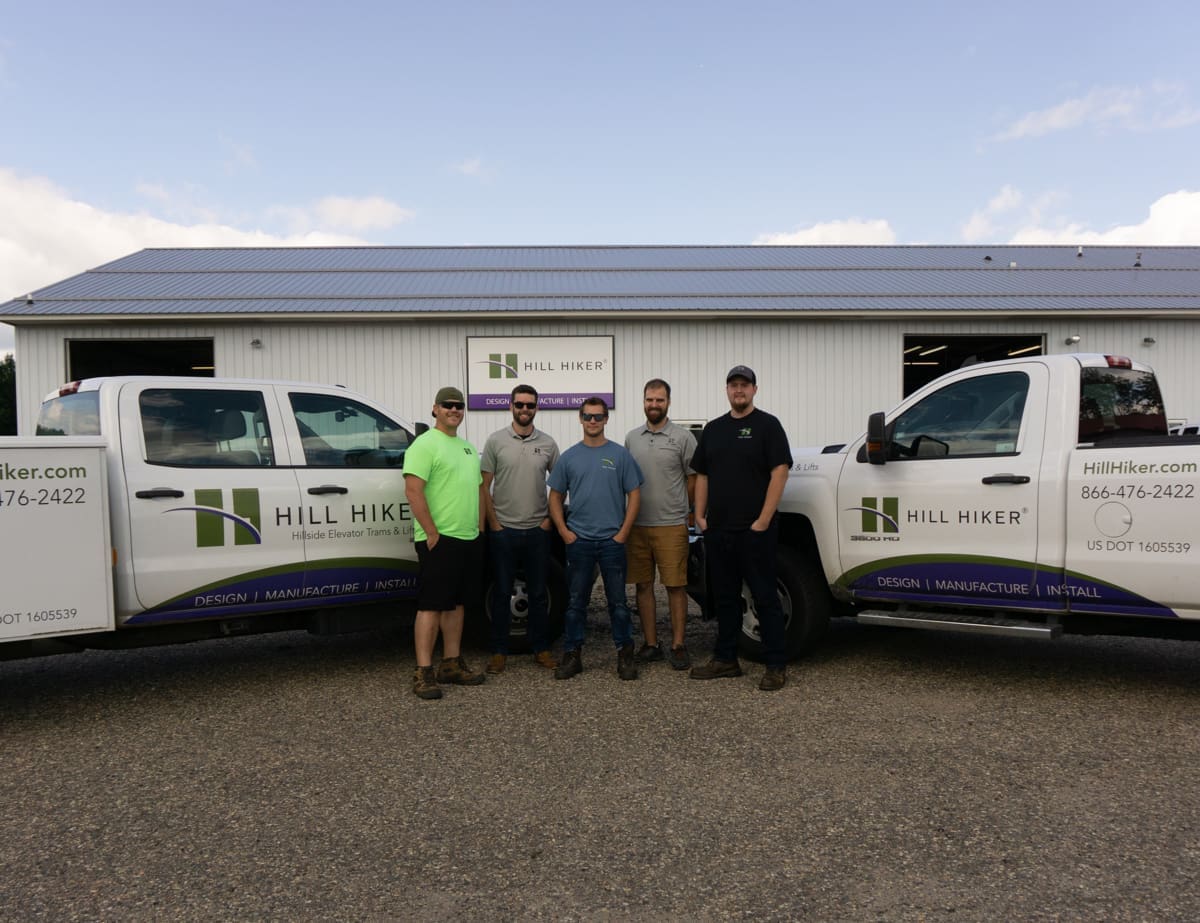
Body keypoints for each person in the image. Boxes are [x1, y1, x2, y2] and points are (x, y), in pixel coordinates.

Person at [689, 366, 794, 691]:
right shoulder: (714, 430)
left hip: (755, 531)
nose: (739, 390)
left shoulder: (768, 426)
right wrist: (700, 516)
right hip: (719, 530)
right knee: (725, 599)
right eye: (734, 385)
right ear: (727, 390)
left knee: (765, 596)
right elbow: (702, 475)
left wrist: (763, 520)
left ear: (754, 390)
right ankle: (726, 659)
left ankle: (776, 664)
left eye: (744, 385)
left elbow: (780, 472)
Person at [548, 397, 643, 681]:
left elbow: (635, 494)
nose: (593, 421)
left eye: (598, 417)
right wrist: (564, 532)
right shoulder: (569, 457)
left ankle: (625, 654)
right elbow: (555, 496)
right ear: (580, 418)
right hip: (580, 543)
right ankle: (573, 654)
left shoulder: (619, 455)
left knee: (618, 603)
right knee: (576, 602)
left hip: (612, 542)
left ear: (606, 419)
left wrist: (623, 532)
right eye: (588, 416)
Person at [402, 385, 487, 700]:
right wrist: (431, 532)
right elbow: (413, 490)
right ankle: (423, 671)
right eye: (448, 405)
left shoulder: (466, 448)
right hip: (439, 539)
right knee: (432, 605)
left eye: (459, 406)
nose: (455, 410)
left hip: (466, 538)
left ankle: (451, 663)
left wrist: (479, 527)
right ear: (435, 409)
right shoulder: (424, 445)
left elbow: (478, 488)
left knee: (457, 604)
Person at [481, 384, 561, 674]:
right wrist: (493, 524)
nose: (524, 409)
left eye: (529, 405)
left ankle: (541, 649)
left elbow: (560, 485)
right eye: (520, 404)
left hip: (538, 531)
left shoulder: (549, 444)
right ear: (511, 406)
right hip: (504, 530)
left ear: (536, 407)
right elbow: (483, 485)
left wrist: (549, 521)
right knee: (501, 592)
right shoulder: (496, 441)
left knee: (539, 594)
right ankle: (499, 652)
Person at [624, 378, 697, 670]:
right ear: (643, 401)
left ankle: (678, 645)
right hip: (638, 524)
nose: (654, 405)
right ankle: (651, 643)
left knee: (675, 586)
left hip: (671, 525)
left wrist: (685, 511)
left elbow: (693, 477)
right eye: (649, 400)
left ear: (668, 402)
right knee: (643, 586)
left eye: (659, 400)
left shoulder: (682, 438)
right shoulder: (632, 438)